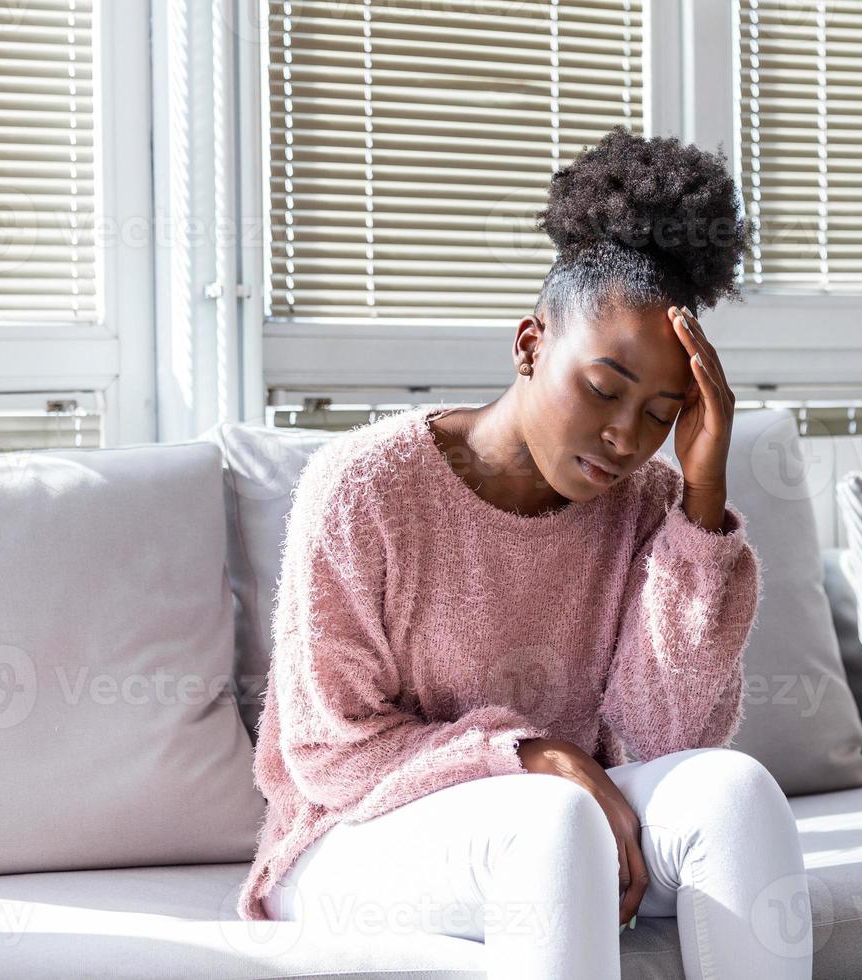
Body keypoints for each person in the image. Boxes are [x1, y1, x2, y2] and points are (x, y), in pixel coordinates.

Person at [236, 126, 813, 979]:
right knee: (553, 823)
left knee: (733, 794)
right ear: (531, 344)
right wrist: (529, 754)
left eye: (660, 413)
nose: (624, 436)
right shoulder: (365, 487)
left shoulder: (648, 504)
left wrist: (701, 499)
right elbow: (329, 752)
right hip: (351, 838)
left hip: (570, 828)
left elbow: (665, 739)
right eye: (603, 389)